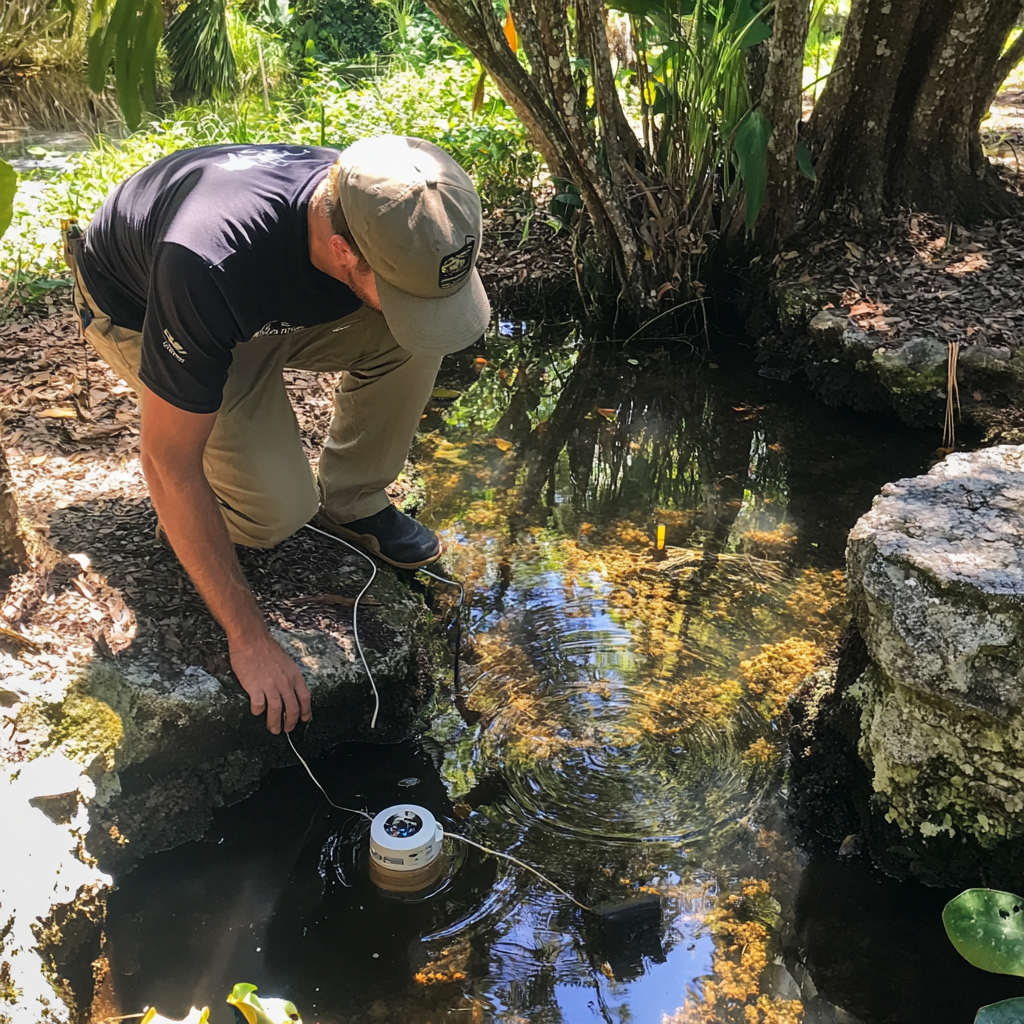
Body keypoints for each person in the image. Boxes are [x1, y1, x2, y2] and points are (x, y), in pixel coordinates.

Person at [63, 135, 489, 735]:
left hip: (255, 305)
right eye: (399, 289)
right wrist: (249, 637)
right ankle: (203, 518)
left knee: (413, 337)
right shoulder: (205, 261)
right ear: (344, 252)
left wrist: (406, 304)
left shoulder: (387, 199)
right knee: (274, 514)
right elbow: (165, 462)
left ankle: (354, 501)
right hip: (149, 310)